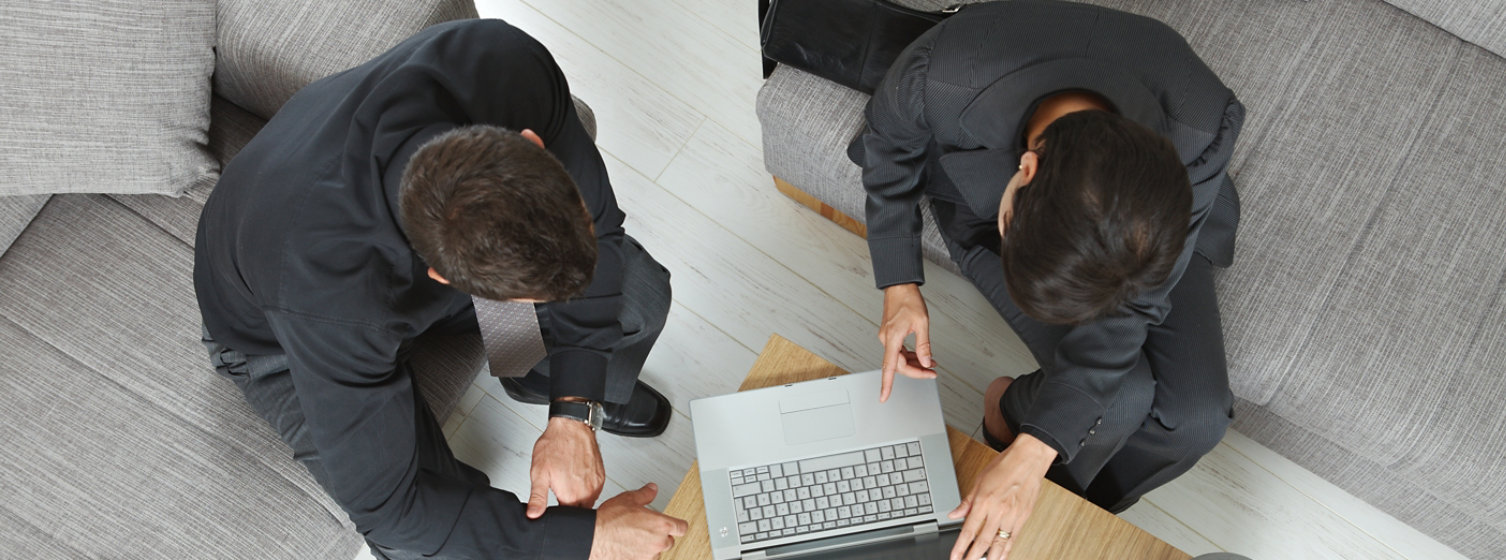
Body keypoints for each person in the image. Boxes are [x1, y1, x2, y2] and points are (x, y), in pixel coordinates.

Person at [194, 19, 686, 560]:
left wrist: (573, 409)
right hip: (281, 339)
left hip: (385, 265)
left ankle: (532, 374)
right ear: (445, 280)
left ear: (530, 144)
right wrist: (587, 541)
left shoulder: (502, 64)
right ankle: (525, 361)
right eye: (525, 302)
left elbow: (604, 233)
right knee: (424, 547)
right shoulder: (326, 296)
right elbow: (396, 515)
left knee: (636, 299)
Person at [849, 2, 1245, 559]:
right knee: (1121, 395)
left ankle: (1059, 497)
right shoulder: (942, 73)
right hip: (986, 198)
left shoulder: (1201, 120)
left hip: (1147, 229)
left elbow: (1137, 305)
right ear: (1027, 169)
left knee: (1198, 419)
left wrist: (1034, 456)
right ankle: (1011, 424)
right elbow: (887, 147)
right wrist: (898, 284)